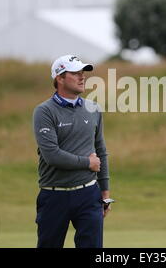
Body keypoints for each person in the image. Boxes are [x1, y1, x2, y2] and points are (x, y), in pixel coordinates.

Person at [32, 54, 111, 248]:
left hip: (88, 194)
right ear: (59, 78)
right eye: (75, 73)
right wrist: (87, 163)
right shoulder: (44, 111)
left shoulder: (93, 108)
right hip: (54, 195)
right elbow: (52, 155)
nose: (82, 77)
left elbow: (100, 150)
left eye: (82, 73)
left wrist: (105, 191)